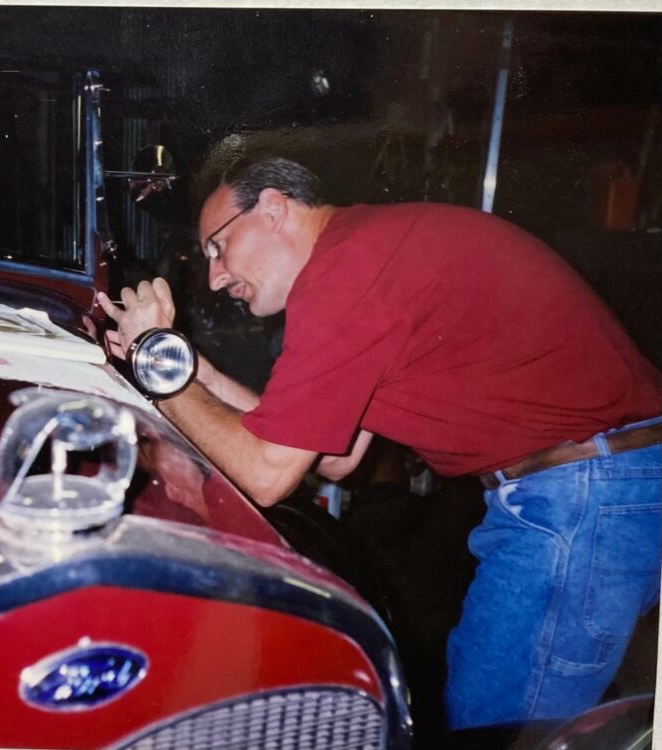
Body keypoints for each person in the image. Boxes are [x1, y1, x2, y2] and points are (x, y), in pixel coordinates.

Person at [96, 156, 662, 730]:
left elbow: (267, 476)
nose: (214, 278)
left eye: (217, 248)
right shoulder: (365, 255)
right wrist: (191, 373)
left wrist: (154, 364)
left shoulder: (346, 269)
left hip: (579, 496)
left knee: (496, 726)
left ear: (272, 209)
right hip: (592, 488)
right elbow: (338, 459)